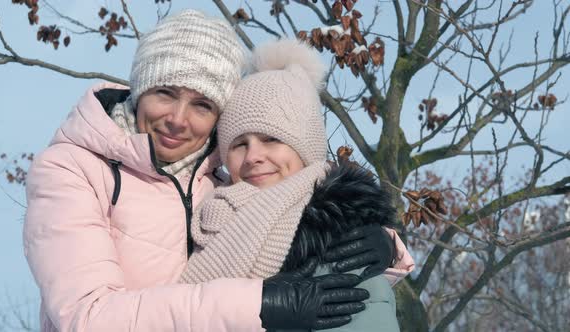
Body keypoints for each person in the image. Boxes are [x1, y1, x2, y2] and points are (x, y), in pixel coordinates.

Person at [23, 9, 412, 332]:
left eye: (202, 105)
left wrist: (384, 243)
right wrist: (261, 303)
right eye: (165, 93)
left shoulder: (226, 186)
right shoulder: (73, 170)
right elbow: (88, 318)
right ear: (140, 90)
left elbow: (313, 222)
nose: (178, 119)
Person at [179, 39, 414, 331]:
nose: (252, 157)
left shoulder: (343, 239)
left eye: (271, 139)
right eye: (240, 144)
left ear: (306, 149)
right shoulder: (207, 222)